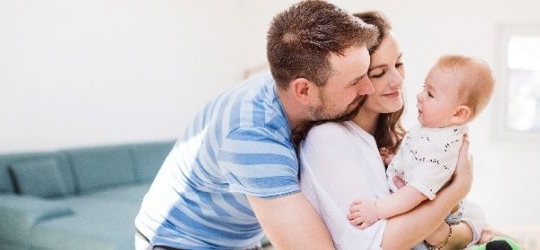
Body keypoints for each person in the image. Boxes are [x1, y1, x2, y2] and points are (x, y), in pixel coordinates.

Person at [134, 1, 380, 249]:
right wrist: (422, 200)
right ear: (303, 90)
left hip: (239, 238)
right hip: (179, 241)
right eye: (354, 82)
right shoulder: (252, 136)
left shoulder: (287, 85)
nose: (369, 89)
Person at [298, 11, 480, 250]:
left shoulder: (396, 140)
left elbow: (475, 217)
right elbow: (378, 243)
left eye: (399, 63)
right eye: (379, 73)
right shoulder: (328, 139)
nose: (397, 79)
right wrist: (459, 188)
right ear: (351, 81)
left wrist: (444, 232)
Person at [347, 54, 495, 231]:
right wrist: (395, 158)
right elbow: (416, 161)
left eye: (431, 94)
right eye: (424, 88)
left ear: (458, 114)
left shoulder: (442, 148)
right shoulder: (433, 131)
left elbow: (416, 193)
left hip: (429, 226)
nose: (419, 96)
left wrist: (376, 210)